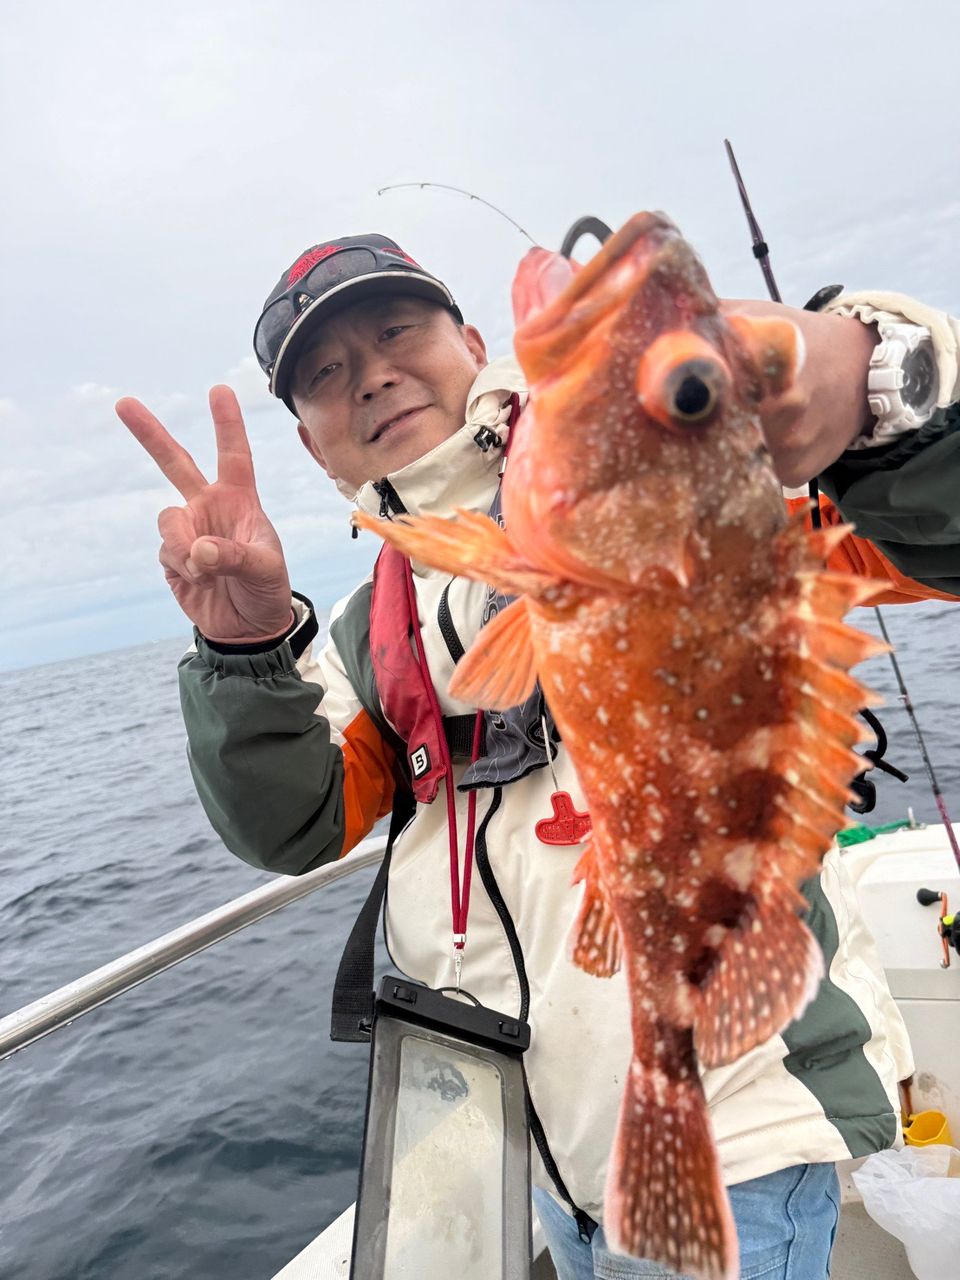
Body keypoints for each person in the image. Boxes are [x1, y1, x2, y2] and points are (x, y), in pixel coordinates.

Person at [116, 231, 960, 1280]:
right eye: (325, 375)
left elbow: (939, 534)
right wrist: (244, 648)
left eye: (394, 332)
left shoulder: (685, 466)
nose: (371, 375)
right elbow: (293, 820)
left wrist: (872, 382)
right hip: (535, 1148)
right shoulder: (365, 625)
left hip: (735, 1124)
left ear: (473, 341)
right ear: (310, 444)